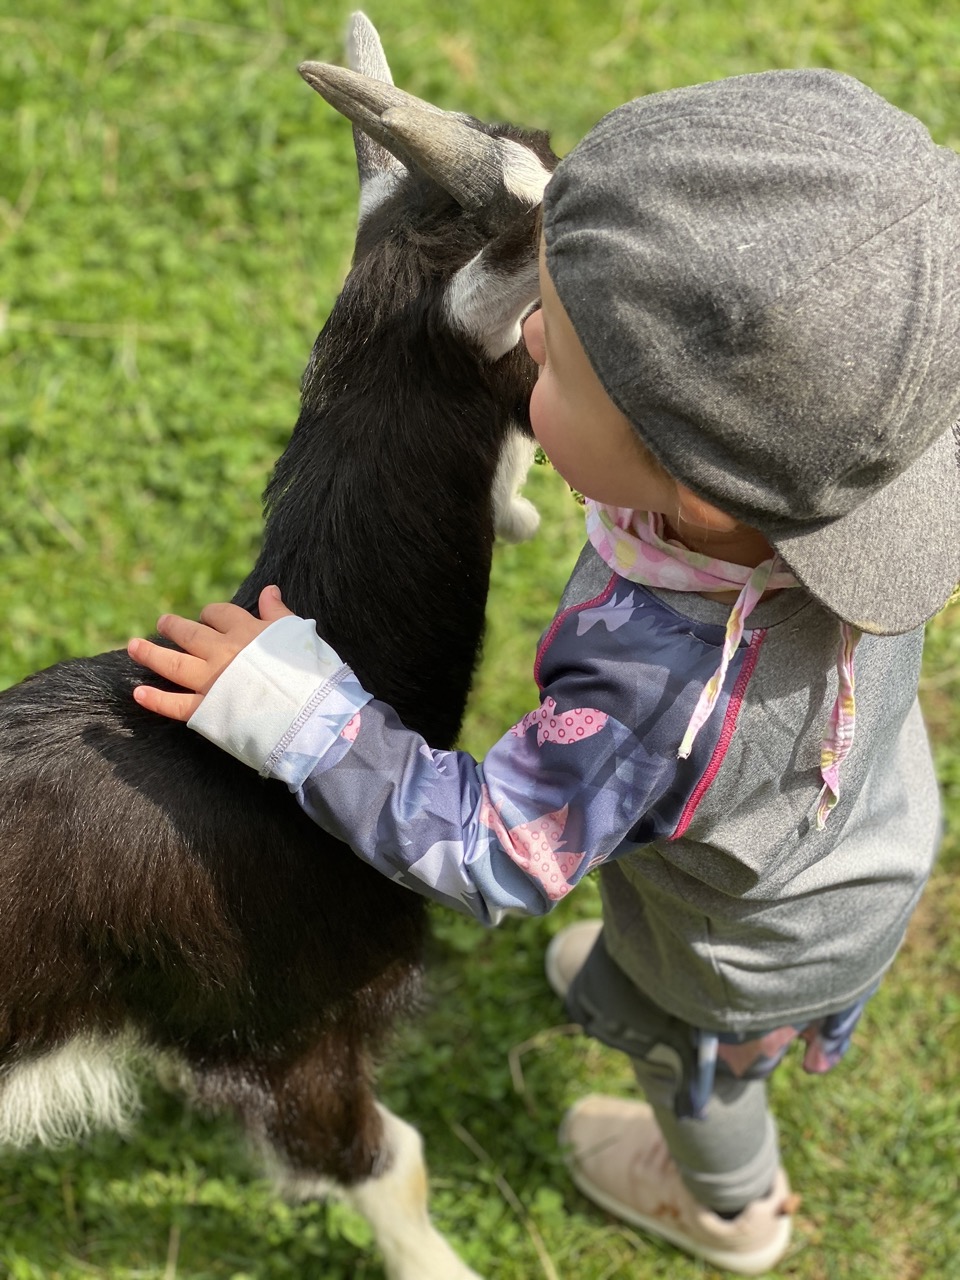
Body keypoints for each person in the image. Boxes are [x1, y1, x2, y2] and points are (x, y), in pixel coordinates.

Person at [127, 69, 960, 1276]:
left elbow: (501, 849)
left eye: (557, 361)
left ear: (699, 489)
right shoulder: (860, 475)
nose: (521, 341)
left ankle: (728, 1202)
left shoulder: (661, 690)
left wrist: (293, 710)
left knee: (703, 1061)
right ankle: (667, 981)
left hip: (757, 946)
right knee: (671, 958)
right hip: (854, 830)